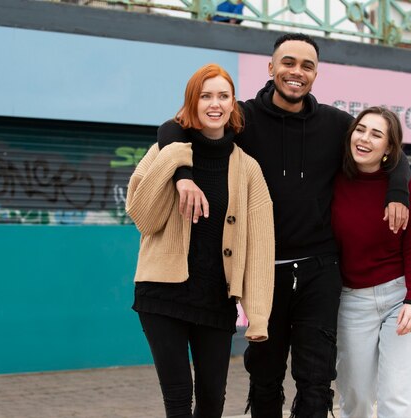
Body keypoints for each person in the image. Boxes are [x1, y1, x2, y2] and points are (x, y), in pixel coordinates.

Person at [158, 33, 411, 417]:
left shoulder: (336, 124)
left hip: (320, 270)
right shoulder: (242, 118)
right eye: (288, 62)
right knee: (264, 377)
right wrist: (182, 175)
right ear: (271, 67)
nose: (297, 72)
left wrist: (398, 191)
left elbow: (388, 146)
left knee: (316, 378)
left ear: (316, 73)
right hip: (263, 271)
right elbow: (174, 129)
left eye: (307, 66)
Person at [125, 63, 275, 418]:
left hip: (215, 299)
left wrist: (257, 315)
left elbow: (260, 245)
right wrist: (178, 172)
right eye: (205, 95)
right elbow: (143, 217)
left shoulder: (248, 168)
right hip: (162, 294)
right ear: (191, 103)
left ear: (233, 103)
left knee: (212, 402)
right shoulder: (165, 149)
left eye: (223, 96)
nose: (214, 103)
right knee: (178, 400)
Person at [331, 107, 411, 418]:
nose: (364, 138)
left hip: (399, 299)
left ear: (388, 148)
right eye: (360, 130)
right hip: (352, 301)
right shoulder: (333, 180)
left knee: (396, 402)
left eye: (376, 134)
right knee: (356, 400)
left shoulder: (404, 187)